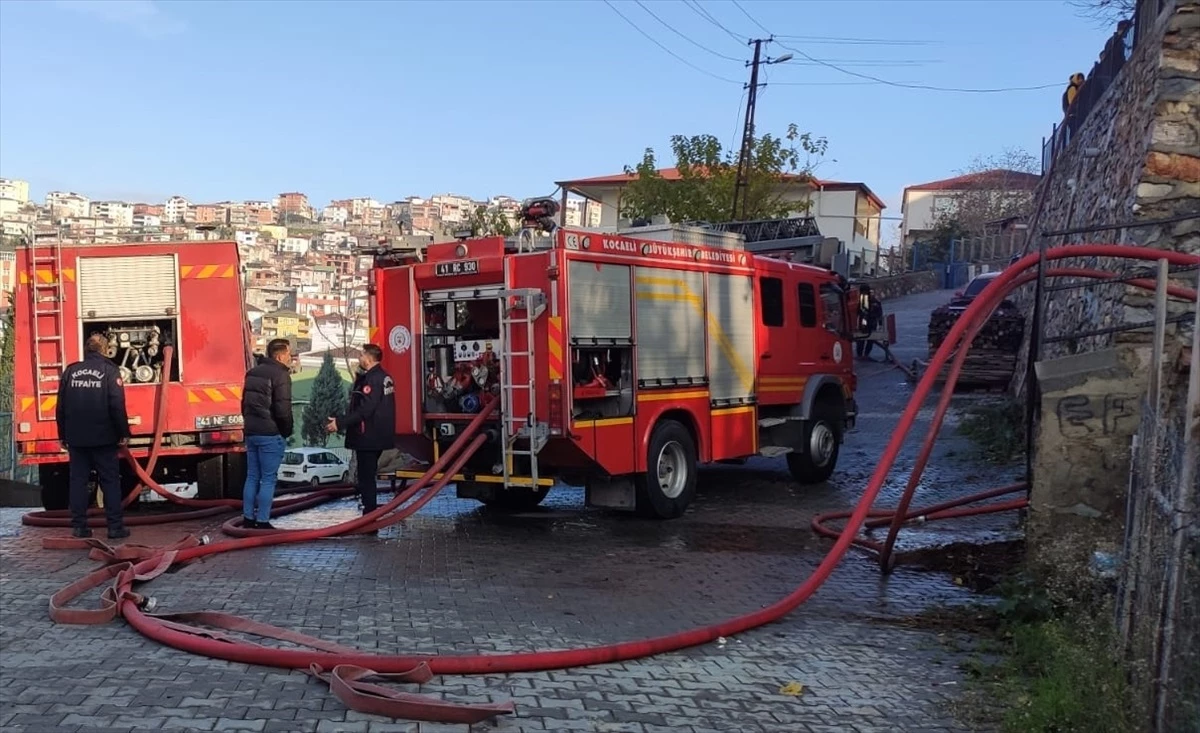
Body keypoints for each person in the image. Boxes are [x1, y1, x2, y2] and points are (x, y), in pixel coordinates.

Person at [56, 333, 131, 539]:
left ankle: (79, 527)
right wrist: (123, 432)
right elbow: (116, 405)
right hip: (104, 438)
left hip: (77, 439)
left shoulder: (71, 371)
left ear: (86, 349)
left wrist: (62, 434)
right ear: (105, 350)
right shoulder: (110, 371)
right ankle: (115, 528)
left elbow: (60, 406)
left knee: (78, 482)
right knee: (110, 482)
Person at [327, 344, 396, 521]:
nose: (359, 358)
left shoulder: (372, 380)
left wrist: (340, 423)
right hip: (378, 435)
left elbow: (364, 410)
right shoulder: (384, 377)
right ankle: (369, 513)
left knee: (366, 478)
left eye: (361, 355)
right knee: (368, 475)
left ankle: (369, 516)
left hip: (368, 436)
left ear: (369, 358)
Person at [240, 338, 294, 529]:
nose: (290, 357)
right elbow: (283, 409)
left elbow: (244, 404)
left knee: (252, 476)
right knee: (268, 479)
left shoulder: (252, 373)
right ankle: (263, 521)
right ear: (279, 356)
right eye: (288, 354)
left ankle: (248, 518)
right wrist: (286, 431)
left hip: (252, 432)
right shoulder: (281, 375)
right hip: (270, 433)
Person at [856, 284, 884, 360]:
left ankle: (863, 355)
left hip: (868, 323)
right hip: (869, 323)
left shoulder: (869, 301)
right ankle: (863, 355)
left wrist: (880, 324)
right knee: (865, 340)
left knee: (866, 340)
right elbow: (879, 314)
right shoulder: (868, 301)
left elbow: (878, 314)